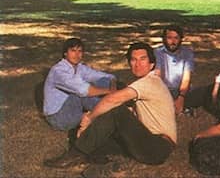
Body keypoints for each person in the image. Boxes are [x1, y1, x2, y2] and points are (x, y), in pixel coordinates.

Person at [44, 42, 177, 168]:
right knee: (99, 133)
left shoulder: (149, 82)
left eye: (142, 59)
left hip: (157, 147)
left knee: (115, 110)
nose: (137, 64)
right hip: (147, 142)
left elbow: (112, 100)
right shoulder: (144, 82)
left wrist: (89, 118)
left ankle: (76, 154)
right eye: (133, 59)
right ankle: (94, 155)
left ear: (151, 64)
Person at [43, 37, 117, 131]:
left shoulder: (80, 67)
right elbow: (83, 90)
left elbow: (108, 77)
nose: (77, 54)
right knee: (81, 93)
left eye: (80, 51)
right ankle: (111, 111)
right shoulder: (59, 71)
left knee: (102, 81)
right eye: (73, 51)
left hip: (73, 110)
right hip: (58, 118)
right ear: (65, 53)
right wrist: (110, 91)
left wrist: (113, 86)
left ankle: (108, 109)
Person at [154, 25, 194, 114]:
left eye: (176, 38)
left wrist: (181, 97)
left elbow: (186, 78)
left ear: (181, 39)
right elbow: (158, 76)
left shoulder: (187, 53)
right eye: (169, 38)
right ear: (164, 39)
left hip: (182, 90)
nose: (173, 41)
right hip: (163, 90)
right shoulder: (158, 53)